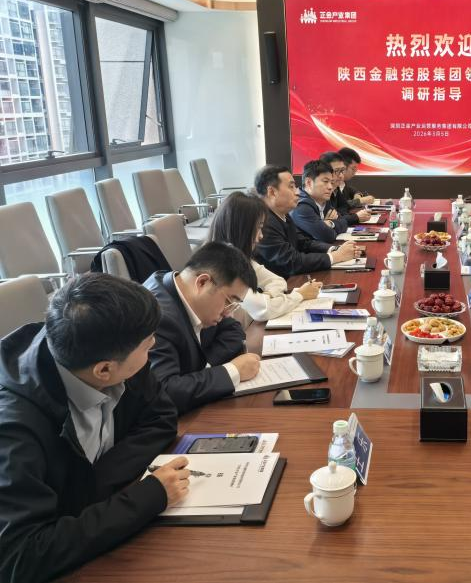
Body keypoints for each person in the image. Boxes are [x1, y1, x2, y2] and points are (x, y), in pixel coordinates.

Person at [0, 273, 187, 583]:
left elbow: (161, 417)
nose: (153, 346)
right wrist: (146, 497)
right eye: (147, 345)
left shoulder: (114, 349)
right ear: (104, 370)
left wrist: (95, 483)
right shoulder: (14, 430)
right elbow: (20, 556)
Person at [144, 241, 261, 415]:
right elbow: (165, 393)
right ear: (202, 282)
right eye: (229, 301)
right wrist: (232, 371)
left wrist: (204, 368)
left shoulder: (192, 297)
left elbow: (234, 330)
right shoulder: (156, 316)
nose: (228, 313)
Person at [207, 191, 322, 326]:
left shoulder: (241, 258)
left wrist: (267, 297)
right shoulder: (222, 265)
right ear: (242, 229)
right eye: (258, 228)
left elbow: (278, 281)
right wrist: (300, 294)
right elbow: (264, 311)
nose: (261, 235)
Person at [253, 165, 358, 278]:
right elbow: (291, 262)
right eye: (291, 186)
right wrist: (336, 256)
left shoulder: (283, 214)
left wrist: (335, 249)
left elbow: (303, 243)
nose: (297, 191)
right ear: (272, 192)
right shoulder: (262, 223)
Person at [290, 159, 352, 244]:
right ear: (309, 182)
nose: (330, 187)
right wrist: (325, 227)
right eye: (325, 181)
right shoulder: (300, 206)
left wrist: (330, 223)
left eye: (331, 182)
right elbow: (327, 236)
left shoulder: (323, 200)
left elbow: (344, 222)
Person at [321, 151, 371, 222]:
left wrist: (340, 217)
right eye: (337, 171)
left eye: (342, 170)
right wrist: (356, 217)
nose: (341, 176)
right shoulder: (321, 193)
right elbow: (332, 222)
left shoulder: (336, 187)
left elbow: (344, 207)